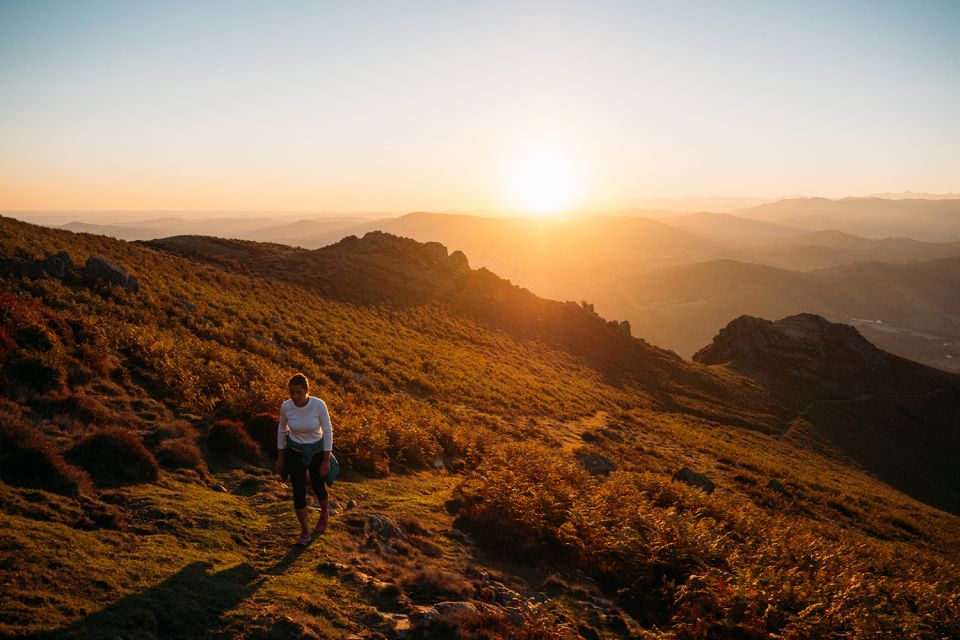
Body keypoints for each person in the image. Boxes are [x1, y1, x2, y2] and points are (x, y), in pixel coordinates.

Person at [276, 372, 333, 546]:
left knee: (317, 486)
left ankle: (324, 512)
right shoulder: (286, 406)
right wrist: (280, 457)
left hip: (316, 451)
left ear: (307, 390)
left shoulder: (318, 405)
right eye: (291, 392)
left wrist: (326, 459)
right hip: (294, 451)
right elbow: (282, 430)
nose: (294, 396)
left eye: (298, 392)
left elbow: (328, 431)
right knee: (298, 491)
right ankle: (305, 531)